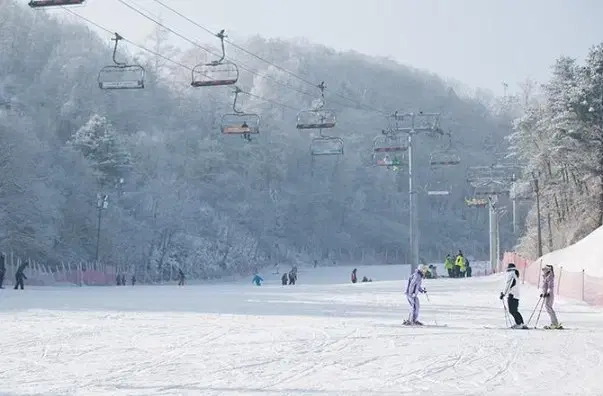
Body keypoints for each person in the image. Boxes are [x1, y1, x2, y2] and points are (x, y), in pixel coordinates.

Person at [500, 263, 527, 329]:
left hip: (512, 295)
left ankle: (519, 323)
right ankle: (521, 323)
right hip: (516, 295)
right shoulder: (515, 274)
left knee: (512, 310)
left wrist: (503, 294)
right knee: (514, 310)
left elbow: (508, 285)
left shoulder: (511, 274)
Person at [541, 265, 562, 329]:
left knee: (548, 307)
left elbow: (550, 286)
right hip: (547, 294)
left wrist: (547, 292)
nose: (543, 271)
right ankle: (554, 322)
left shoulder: (550, 276)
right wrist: (543, 293)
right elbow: (545, 286)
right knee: (548, 307)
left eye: (544, 269)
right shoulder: (546, 276)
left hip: (549, 294)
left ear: (548, 270)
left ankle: (555, 323)